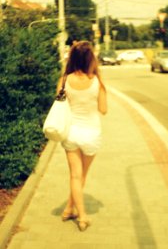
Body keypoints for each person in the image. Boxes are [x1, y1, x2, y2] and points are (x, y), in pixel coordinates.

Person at [57, 41, 107, 231]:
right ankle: (83, 217)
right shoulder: (97, 82)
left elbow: (59, 105)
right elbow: (103, 110)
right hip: (91, 133)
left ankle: (69, 209)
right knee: (82, 176)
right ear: (91, 59)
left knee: (74, 176)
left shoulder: (64, 80)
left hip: (71, 133)